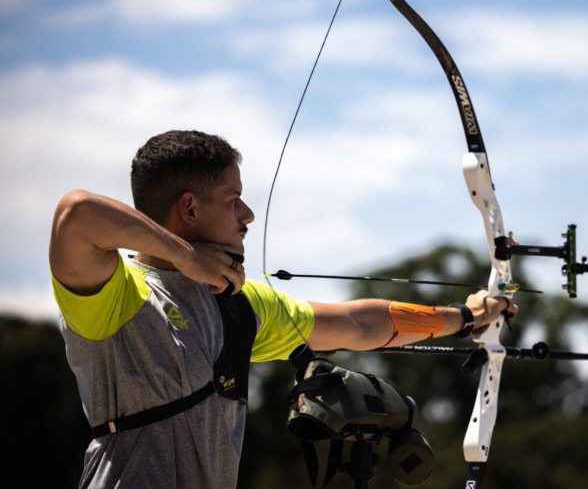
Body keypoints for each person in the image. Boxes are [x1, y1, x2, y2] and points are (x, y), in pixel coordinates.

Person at [49, 129, 516, 488]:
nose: (247, 215)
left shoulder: (238, 303)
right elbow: (77, 213)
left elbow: (357, 323)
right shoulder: (121, 294)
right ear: (189, 209)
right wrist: (186, 257)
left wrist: (463, 317)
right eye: (233, 200)